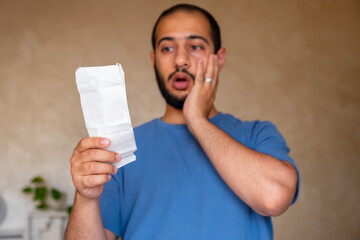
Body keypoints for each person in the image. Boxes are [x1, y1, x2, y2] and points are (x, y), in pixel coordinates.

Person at [65, 4, 299, 240]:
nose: (180, 60)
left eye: (195, 46)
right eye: (167, 48)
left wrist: (196, 119)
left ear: (218, 59)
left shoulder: (257, 134)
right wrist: (85, 196)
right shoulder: (117, 150)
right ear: (154, 60)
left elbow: (274, 198)